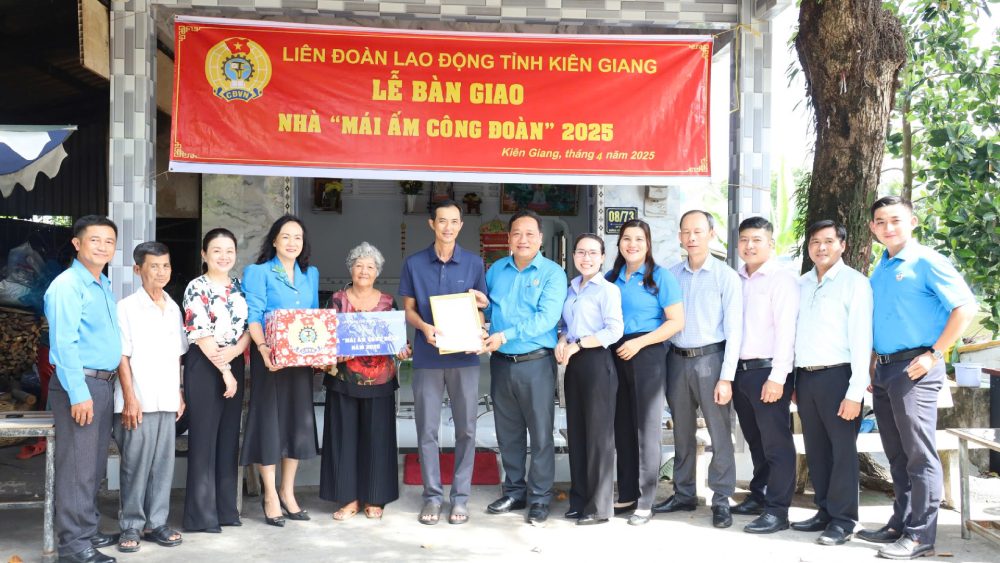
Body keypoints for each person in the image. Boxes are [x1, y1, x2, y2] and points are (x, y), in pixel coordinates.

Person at [858, 196, 977, 560]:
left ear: (913, 221)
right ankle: (901, 522)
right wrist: (872, 362)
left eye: (895, 220)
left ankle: (922, 535)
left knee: (918, 453)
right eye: (880, 221)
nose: (888, 227)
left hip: (916, 367)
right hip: (885, 368)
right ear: (873, 229)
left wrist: (934, 354)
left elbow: (965, 307)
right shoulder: (880, 267)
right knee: (895, 451)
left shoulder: (927, 261)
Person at [475, 209, 567, 525]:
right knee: (508, 433)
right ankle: (515, 491)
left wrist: (504, 335)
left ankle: (539, 497)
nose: (523, 239)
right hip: (501, 364)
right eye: (517, 233)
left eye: (529, 233)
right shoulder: (496, 270)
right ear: (509, 238)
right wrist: (479, 320)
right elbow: (485, 309)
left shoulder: (554, 273)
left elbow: (546, 318)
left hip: (536, 364)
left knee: (540, 434)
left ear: (540, 238)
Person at [398, 200, 487, 526]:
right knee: (428, 431)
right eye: (442, 221)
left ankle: (460, 497)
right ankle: (433, 497)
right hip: (427, 357)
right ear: (432, 224)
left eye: (454, 221)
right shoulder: (414, 263)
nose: (448, 227)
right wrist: (423, 327)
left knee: (466, 429)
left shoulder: (474, 264)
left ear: (461, 225)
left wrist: (480, 326)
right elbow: (408, 308)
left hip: (464, 357)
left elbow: (480, 308)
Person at [653, 209, 741, 529]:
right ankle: (684, 493)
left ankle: (720, 499)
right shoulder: (670, 275)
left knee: (719, 433)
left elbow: (735, 330)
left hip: (711, 360)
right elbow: (662, 322)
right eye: (686, 232)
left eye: (698, 231)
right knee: (682, 432)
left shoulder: (725, 276)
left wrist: (727, 376)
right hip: (676, 359)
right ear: (679, 236)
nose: (691, 237)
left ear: (711, 234)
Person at [44, 215, 122, 563]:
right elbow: (64, 345)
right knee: (76, 467)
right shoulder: (67, 286)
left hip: (103, 383)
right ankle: (73, 547)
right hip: (81, 383)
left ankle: (87, 531)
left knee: (92, 466)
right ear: (77, 243)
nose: (103, 247)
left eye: (109, 241)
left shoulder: (101, 284)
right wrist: (79, 393)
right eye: (95, 240)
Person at [791, 220, 872, 546]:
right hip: (806, 379)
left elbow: (862, 341)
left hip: (840, 377)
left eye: (828, 241)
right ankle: (823, 510)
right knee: (817, 450)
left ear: (843, 245)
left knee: (842, 452)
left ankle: (843, 520)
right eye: (814, 242)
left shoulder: (856, 283)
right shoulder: (801, 284)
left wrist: (855, 392)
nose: (820, 248)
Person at [241, 215, 321, 527]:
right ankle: (270, 494)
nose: (292, 243)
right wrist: (262, 349)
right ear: (274, 240)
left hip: (300, 361)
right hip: (271, 359)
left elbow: (313, 316)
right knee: (270, 424)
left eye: (298, 237)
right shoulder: (258, 272)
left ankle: (288, 492)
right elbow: (255, 314)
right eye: (286, 236)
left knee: (296, 425)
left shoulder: (309, 273)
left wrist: (318, 353)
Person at [321, 242, 410, 521]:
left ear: (377, 272)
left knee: (378, 439)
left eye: (370, 266)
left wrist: (402, 350)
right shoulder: (336, 299)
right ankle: (348, 499)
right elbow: (324, 338)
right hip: (343, 379)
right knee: (344, 439)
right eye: (359, 264)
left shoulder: (387, 302)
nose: (364, 270)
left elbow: (398, 341)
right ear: (350, 268)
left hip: (380, 380)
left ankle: (374, 497)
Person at [605, 219, 684, 526]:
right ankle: (626, 493)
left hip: (648, 352)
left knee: (645, 429)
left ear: (648, 243)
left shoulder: (659, 277)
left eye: (639, 239)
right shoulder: (611, 278)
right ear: (619, 243)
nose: (632, 244)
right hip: (616, 352)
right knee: (621, 426)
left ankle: (645, 500)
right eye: (627, 238)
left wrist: (640, 343)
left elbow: (676, 322)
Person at [112, 242, 187, 552]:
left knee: (162, 465)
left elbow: (178, 356)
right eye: (154, 266)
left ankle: (156, 523)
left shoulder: (173, 307)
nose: (161, 272)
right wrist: (130, 398)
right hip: (137, 402)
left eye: (165, 266)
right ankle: (130, 525)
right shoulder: (126, 307)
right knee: (134, 465)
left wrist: (180, 392)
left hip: (167, 399)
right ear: (137, 269)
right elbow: (122, 357)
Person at [730, 217, 799, 534]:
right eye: (744, 239)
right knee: (755, 441)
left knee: (776, 444)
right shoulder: (737, 279)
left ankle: (778, 510)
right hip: (741, 373)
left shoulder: (781, 280)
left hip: (768, 371)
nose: (749, 245)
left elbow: (787, 332)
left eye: (757, 239)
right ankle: (759, 495)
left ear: (771, 244)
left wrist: (779, 376)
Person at [181, 228, 250, 533]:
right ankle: (200, 516)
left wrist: (235, 353)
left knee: (227, 440)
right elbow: (201, 335)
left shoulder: (240, 287)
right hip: (205, 366)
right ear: (204, 254)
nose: (223, 256)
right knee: (204, 439)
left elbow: (250, 326)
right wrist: (225, 371)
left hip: (233, 364)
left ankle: (225, 510)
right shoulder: (196, 287)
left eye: (229, 250)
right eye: (217, 250)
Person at [556, 233, 624, 526]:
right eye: (581, 252)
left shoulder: (607, 290)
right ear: (573, 256)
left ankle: (598, 507)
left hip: (597, 363)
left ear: (602, 257)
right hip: (574, 364)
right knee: (578, 432)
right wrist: (561, 339)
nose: (586, 258)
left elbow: (614, 330)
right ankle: (580, 499)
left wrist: (579, 344)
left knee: (598, 438)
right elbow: (564, 324)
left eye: (593, 253)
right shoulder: (571, 289)